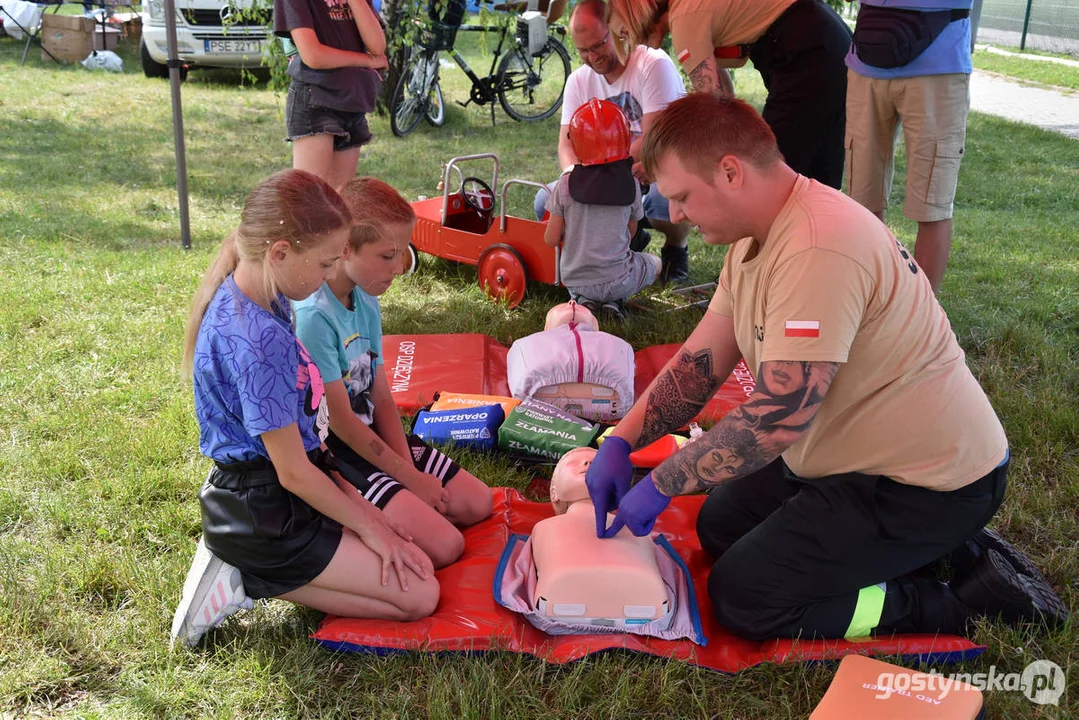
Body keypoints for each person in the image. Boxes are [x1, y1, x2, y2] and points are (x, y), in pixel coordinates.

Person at [584, 94, 1068, 642]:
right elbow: (698, 367)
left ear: (729, 172)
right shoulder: (758, 237)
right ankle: (939, 550)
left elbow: (778, 417)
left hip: (923, 485)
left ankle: (955, 601)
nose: (675, 215)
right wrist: (619, 443)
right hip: (850, 459)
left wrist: (665, 481)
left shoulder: (819, 246)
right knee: (719, 527)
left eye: (682, 197)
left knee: (747, 599)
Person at [171, 169, 437, 648]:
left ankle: (260, 567)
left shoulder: (266, 293)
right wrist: (374, 531)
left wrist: (370, 517)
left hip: (285, 487)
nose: (327, 277)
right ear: (280, 253)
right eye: (323, 264)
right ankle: (246, 575)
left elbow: (303, 448)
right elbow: (292, 473)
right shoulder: (260, 339)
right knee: (419, 596)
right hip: (263, 512)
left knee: (415, 561)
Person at [293, 177, 493, 568]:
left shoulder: (364, 298)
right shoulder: (314, 317)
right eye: (387, 256)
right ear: (345, 247)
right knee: (446, 546)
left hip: (376, 439)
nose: (400, 268)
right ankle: (352, 519)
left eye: (402, 254)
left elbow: (381, 394)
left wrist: (409, 473)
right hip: (340, 453)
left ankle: (397, 507)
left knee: (478, 503)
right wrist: (409, 479)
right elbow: (342, 425)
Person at [605, 0, 852, 190]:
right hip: (828, 39)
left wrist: (664, 165)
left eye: (625, 33)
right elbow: (724, 101)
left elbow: (715, 114)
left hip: (806, 53)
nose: (632, 43)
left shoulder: (685, 20)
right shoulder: (691, 9)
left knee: (767, 176)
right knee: (817, 180)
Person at [533, 0, 691, 283]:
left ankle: (676, 249)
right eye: (582, 50)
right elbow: (566, 144)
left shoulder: (653, 63)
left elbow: (652, 136)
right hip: (605, 173)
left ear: (617, 29)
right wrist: (575, 177)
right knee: (546, 201)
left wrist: (606, 176)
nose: (592, 57)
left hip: (655, 167)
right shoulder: (578, 81)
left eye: (597, 45)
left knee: (663, 201)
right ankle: (624, 241)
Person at [845, 0, 975, 293]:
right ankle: (870, 302)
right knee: (862, 203)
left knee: (931, 205)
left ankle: (923, 323)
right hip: (866, 60)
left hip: (939, 65)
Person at [543, 99, 662, 321]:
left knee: (585, 284)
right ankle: (614, 301)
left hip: (576, 279)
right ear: (625, 140)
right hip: (619, 279)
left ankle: (583, 301)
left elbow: (551, 239)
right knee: (655, 263)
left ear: (576, 143)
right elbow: (632, 232)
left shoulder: (565, 184)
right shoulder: (632, 184)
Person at [273, 0, 388, 190]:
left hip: (352, 99)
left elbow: (377, 47)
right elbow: (313, 56)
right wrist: (366, 61)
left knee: (340, 204)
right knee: (313, 199)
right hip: (315, 97)